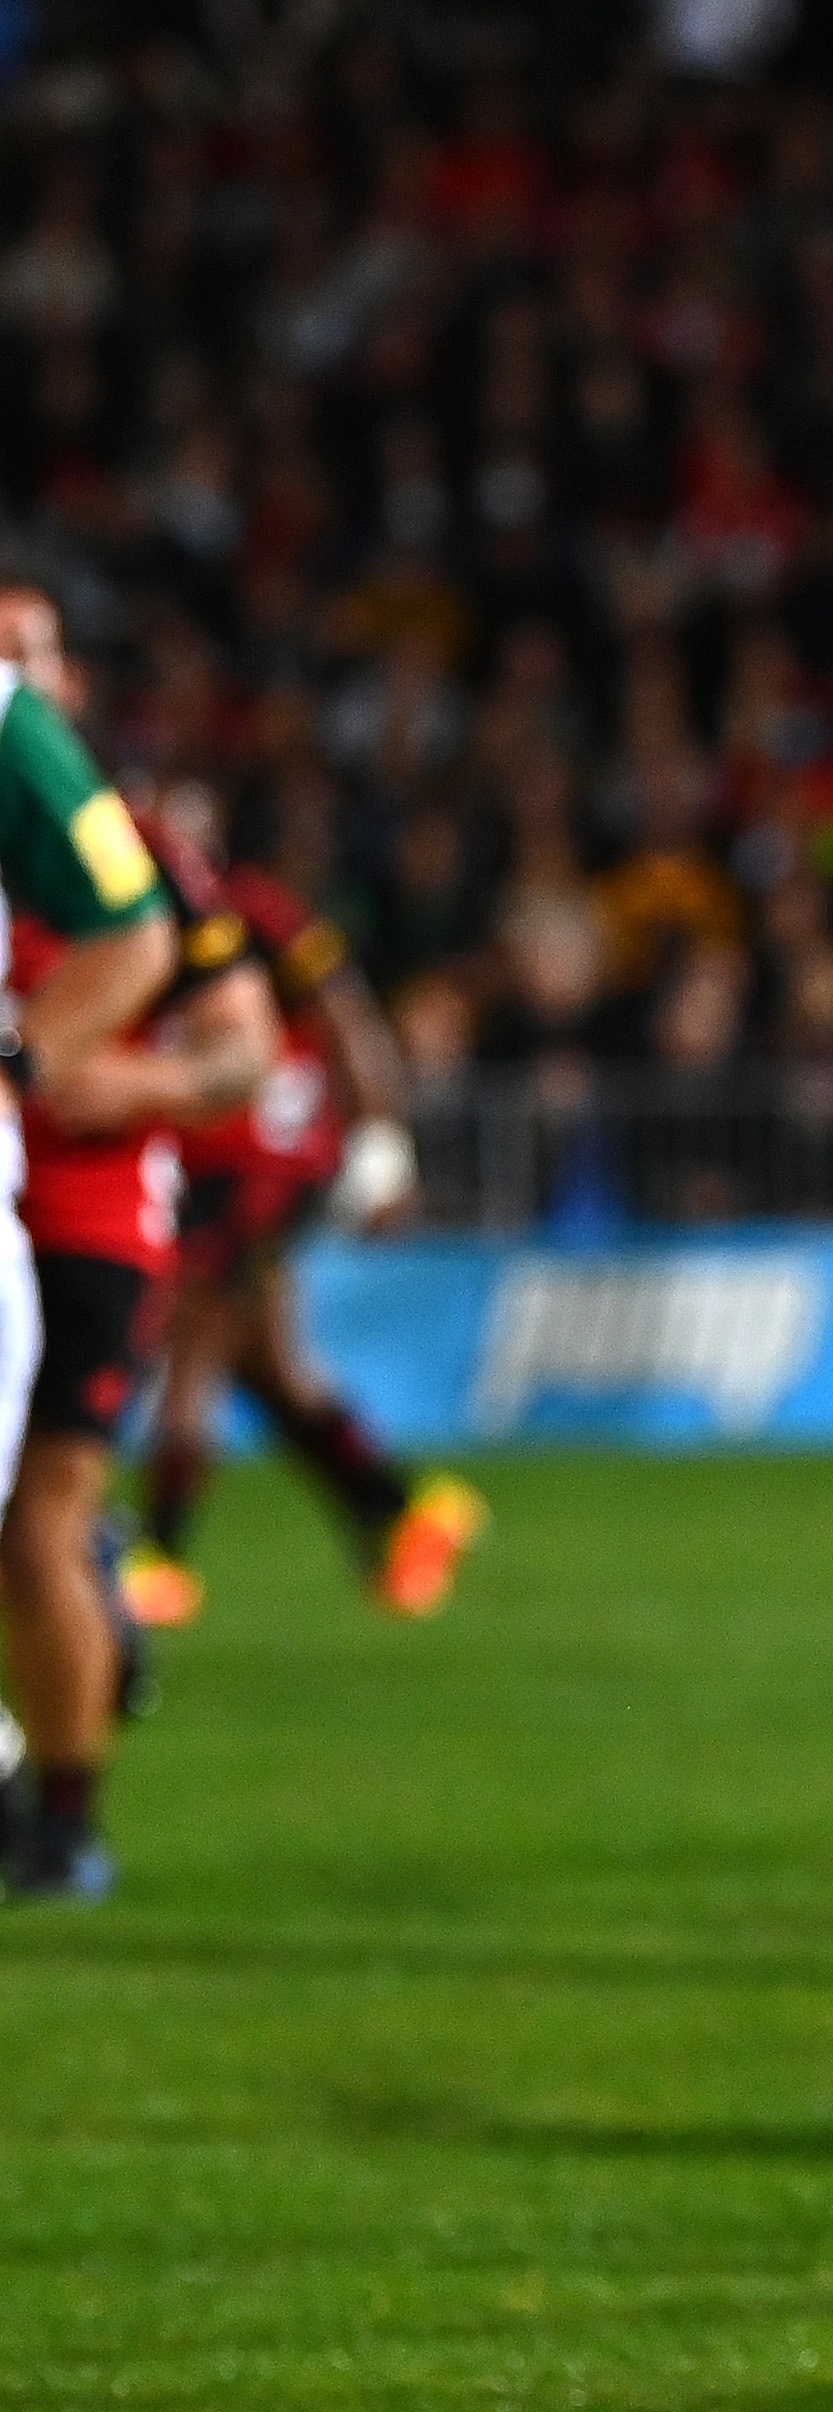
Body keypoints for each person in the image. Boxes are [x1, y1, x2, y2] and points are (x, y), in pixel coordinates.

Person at [0, 593, 268, 1899]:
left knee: (38, 1518)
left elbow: (242, 1045)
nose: (12, 673)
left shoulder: (140, 852)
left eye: (27, 655)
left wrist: (126, 1086)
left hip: (91, 1228)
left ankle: (63, 1819)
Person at [123, 782, 477, 1631]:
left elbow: (345, 1012)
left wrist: (382, 1148)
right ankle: (403, 1512)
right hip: (198, 1158)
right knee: (270, 1369)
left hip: (262, 1163)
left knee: (195, 1342)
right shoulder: (130, 923)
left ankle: (159, 1558)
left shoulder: (252, 910)